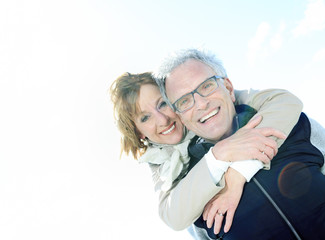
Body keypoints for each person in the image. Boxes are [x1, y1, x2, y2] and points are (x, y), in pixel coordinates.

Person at [154, 48, 325, 239]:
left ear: (228, 87)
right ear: (180, 116)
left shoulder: (292, 125)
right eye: (184, 101)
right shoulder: (191, 187)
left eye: (207, 86)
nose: (201, 104)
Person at [109, 72, 304, 233]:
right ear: (139, 133)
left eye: (162, 104)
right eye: (145, 118)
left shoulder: (216, 108)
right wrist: (218, 154)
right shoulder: (164, 167)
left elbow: (284, 101)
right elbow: (173, 216)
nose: (162, 120)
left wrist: (236, 175)